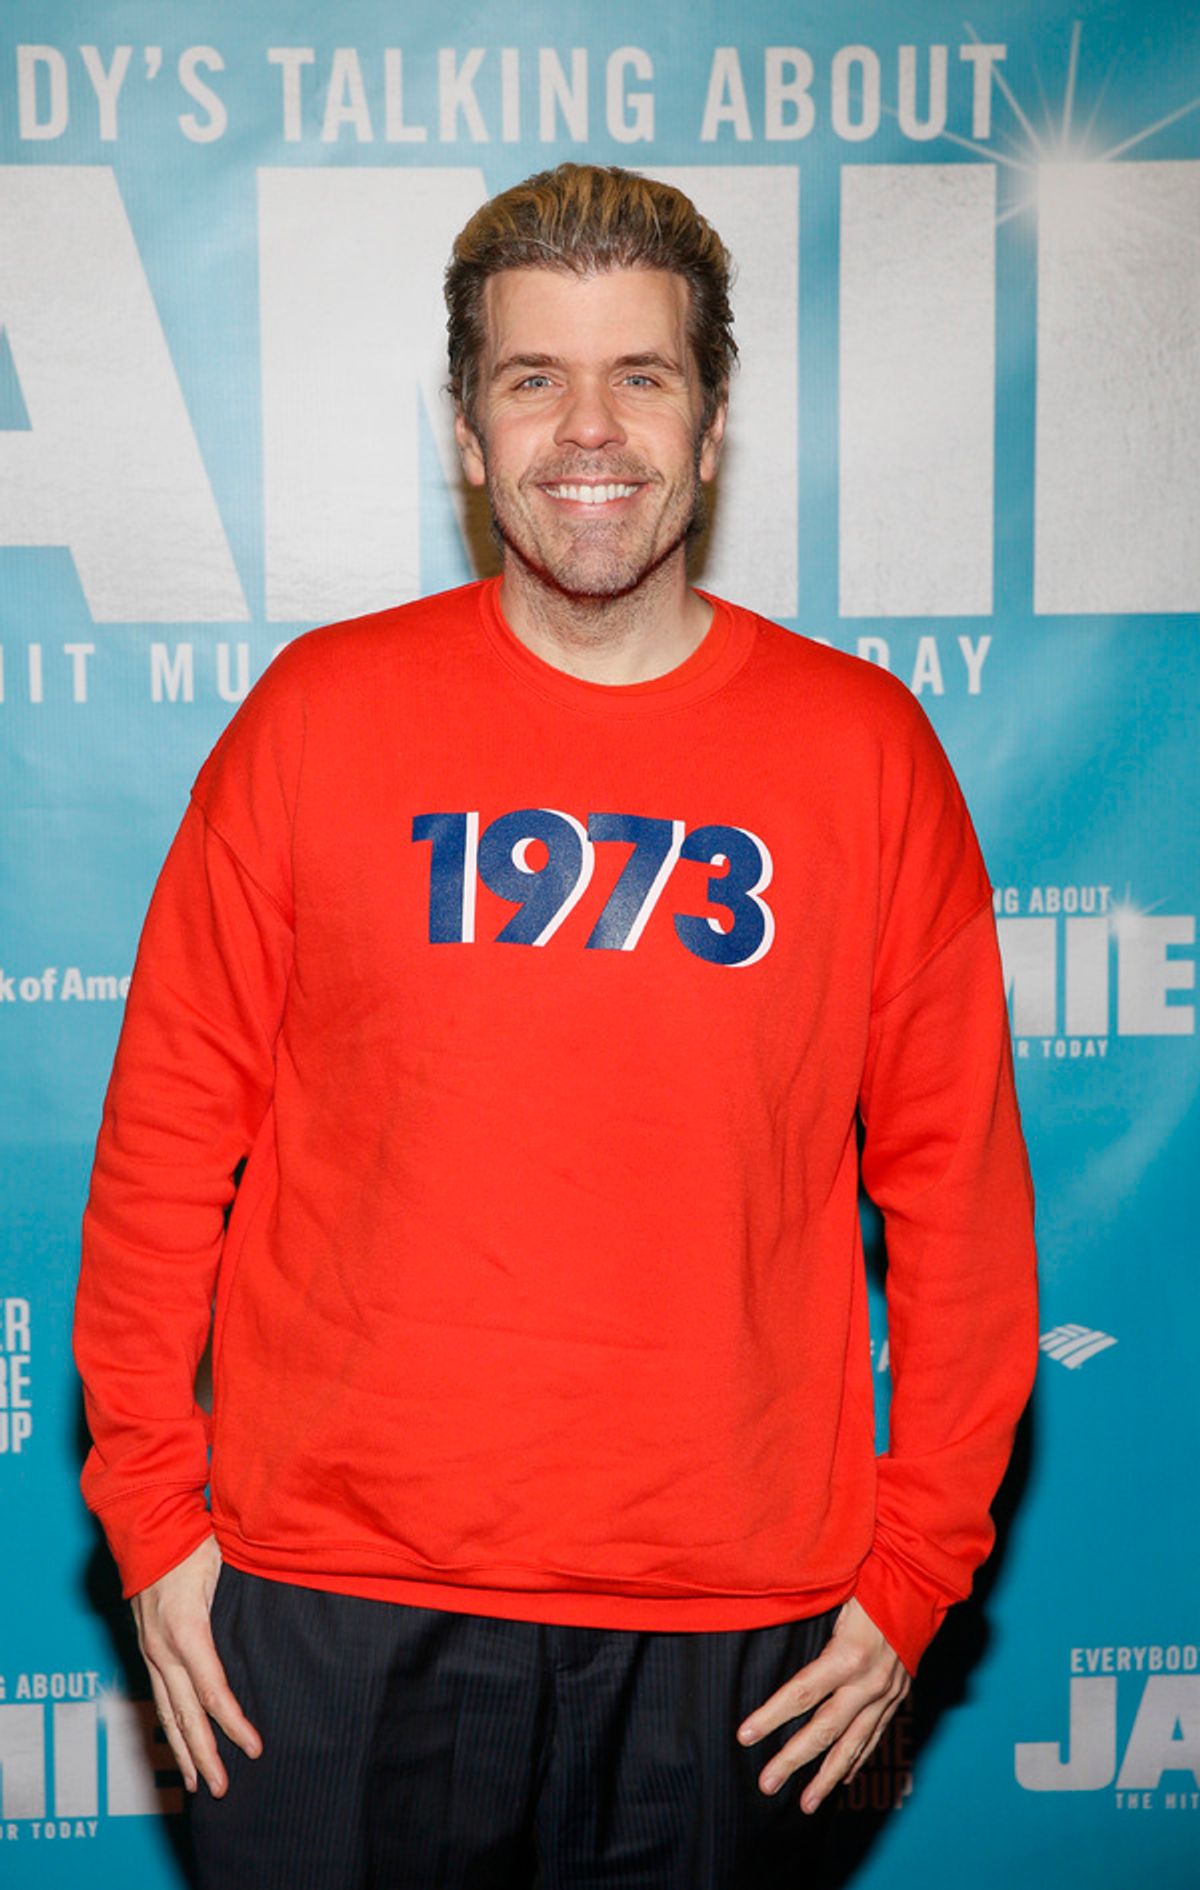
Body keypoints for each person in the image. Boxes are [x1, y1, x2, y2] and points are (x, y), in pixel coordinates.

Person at [74, 163, 1038, 1889]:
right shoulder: (316, 720)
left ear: (714, 420)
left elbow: (959, 1197)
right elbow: (163, 1138)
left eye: (640, 376)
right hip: (332, 1619)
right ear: (467, 427)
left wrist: (914, 1568)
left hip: (735, 1645)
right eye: (534, 379)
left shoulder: (863, 752)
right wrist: (154, 1513)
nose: (587, 431)